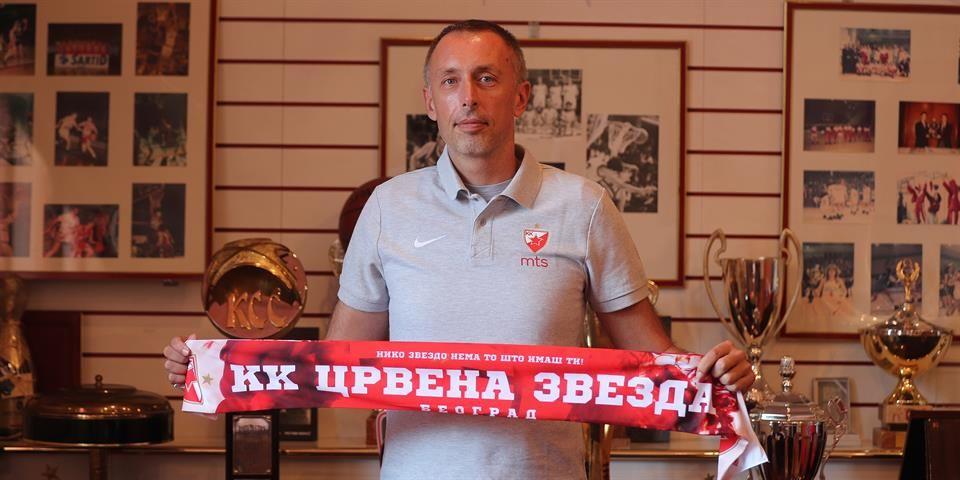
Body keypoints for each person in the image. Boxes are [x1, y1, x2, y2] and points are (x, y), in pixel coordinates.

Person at [162, 20, 754, 479]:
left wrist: (716, 379)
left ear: (521, 97)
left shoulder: (585, 206)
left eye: (486, 78)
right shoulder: (387, 207)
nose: (468, 97)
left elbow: (655, 359)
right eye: (450, 81)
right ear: (431, 101)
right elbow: (336, 365)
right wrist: (221, 366)